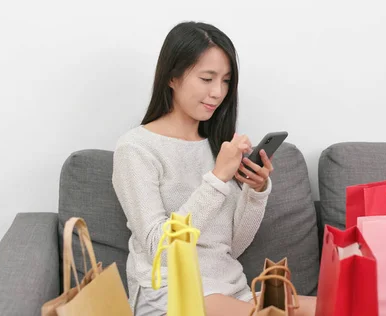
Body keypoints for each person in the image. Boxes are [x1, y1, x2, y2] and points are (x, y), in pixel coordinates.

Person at [112, 21, 316, 316]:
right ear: (172, 77)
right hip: (173, 295)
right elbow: (162, 250)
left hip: (231, 291)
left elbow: (232, 246)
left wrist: (255, 192)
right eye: (207, 78)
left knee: (340, 305)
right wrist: (218, 178)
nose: (218, 92)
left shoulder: (217, 146)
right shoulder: (136, 149)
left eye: (225, 80)